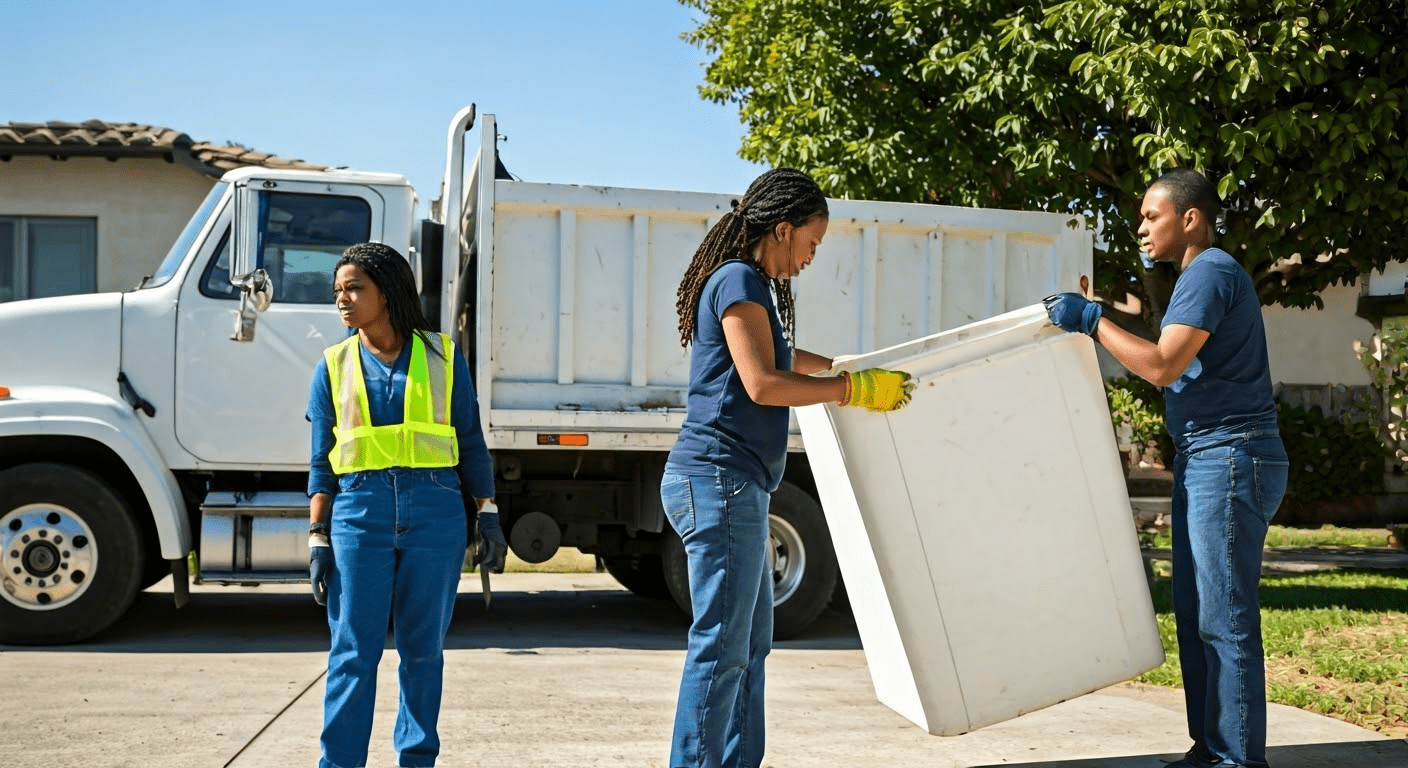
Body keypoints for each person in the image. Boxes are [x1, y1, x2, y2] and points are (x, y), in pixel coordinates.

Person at [662, 168, 914, 768]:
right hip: (717, 478)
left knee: (749, 647)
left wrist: (844, 367)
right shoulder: (737, 279)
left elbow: (779, 354)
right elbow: (763, 382)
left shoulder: (754, 287)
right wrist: (850, 390)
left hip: (736, 482)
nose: (811, 257)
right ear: (782, 229)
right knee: (722, 649)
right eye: (811, 242)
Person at [1044, 168, 1289, 768]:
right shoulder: (1195, 279)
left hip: (1231, 456)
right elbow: (1165, 355)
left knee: (1223, 617)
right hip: (1207, 456)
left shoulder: (1210, 272)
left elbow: (1161, 365)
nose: (1141, 229)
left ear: (1191, 219)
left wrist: (1091, 320)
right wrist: (1100, 314)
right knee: (1197, 613)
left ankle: (1237, 759)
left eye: (1152, 217)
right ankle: (1211, 749)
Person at [305, 242, 508, 768]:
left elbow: (470, 440)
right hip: (359, 516)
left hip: (435, 515)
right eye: (337, 291)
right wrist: (318, 535)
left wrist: (487, 512)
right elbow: (321, 462)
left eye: (354, 288)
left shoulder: (443, 356)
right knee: (353, 652)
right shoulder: (333, 366)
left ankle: (417, 761)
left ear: (388, 290)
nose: (342, 300)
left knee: (423, 653)